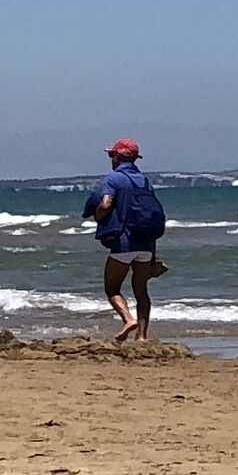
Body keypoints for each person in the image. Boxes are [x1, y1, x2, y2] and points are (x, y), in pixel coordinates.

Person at [82, 138, 167, 342]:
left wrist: (99, 216)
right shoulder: (145, 181)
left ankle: (128, 319)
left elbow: (105, 203)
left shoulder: (115, 178)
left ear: (118, 157)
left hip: (124, 242)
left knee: (112, 288)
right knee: (141, 291)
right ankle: (142, 337)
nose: (111, 159)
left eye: (112, 155)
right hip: (146, 245)